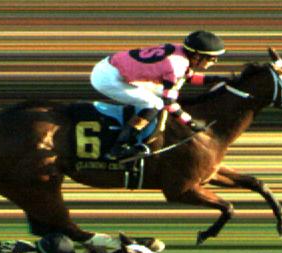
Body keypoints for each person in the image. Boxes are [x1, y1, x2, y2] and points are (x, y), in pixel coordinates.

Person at [90, 30, 229, 161]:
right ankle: (120, 147)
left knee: (158, 95)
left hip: (110, 66)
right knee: (155, 103)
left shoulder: (179, 52)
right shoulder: (176, 66)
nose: (215, 61)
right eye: (212, 58)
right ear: (197, 56)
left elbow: (188, 77)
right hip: (107, 79)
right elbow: (169, 103)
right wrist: (190, 122)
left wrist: (219, 78)